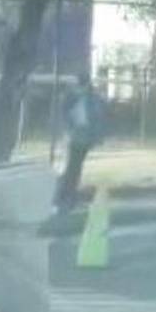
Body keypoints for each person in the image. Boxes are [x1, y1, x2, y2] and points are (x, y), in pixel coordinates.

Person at [54, 72, 107, 211]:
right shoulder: (71, 96)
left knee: (75, 167)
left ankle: (68, 196)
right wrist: (67, 130)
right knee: (71, 167)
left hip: (83, 136)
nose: (83, 87)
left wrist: (97, 137)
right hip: (74, 136)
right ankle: (63, 196)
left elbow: (98, 117)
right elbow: (63, 114)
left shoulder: (91, 97)